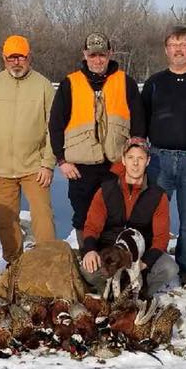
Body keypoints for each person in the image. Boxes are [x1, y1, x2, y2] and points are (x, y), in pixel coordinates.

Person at [133, 26, 186, 287]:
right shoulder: (155, 83)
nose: (178, 49)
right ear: (166, 50)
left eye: (183, 44)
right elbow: (140, 120)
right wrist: (140, 152)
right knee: (151, 215)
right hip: (159, 159)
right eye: (173, 44)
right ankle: (149, 262)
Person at [0, 35, 57, 265]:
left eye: (21, 57)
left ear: (29, 57)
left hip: (34, 167)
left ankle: (47, 262)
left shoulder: (43, 86)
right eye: (12, 57)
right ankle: (15, 264)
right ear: (4, 58)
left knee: (43, 218)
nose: (17, 62)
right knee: (5, 221)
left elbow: (55, 128)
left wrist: (48, 163)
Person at [48, 32, 142, 238]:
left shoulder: (126, 82)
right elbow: (55, 125)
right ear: (84, 54)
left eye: (101, 55)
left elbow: (139, 125)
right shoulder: (69, 84)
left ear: (110, 53)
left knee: (116, 215)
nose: (97, 60)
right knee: (83, 216)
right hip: (80, 168)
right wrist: (62, 160)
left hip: (116, 164)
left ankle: (112, 261)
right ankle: (88, 259)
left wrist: (134, 160)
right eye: (92, 55)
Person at [78, 139, 178, 299]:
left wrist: (144, 262)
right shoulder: (106, 190)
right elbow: (92, 226)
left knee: (169, 268)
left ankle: (140, 292)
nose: (135, 163)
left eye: (141, 158)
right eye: (131, 158)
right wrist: (90, 250)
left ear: (148, 161)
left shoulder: (158, 195)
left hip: (140, 253)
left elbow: (161, 237)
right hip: (110, 252)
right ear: (123, 160)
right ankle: (110, 293)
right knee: (87, 269)